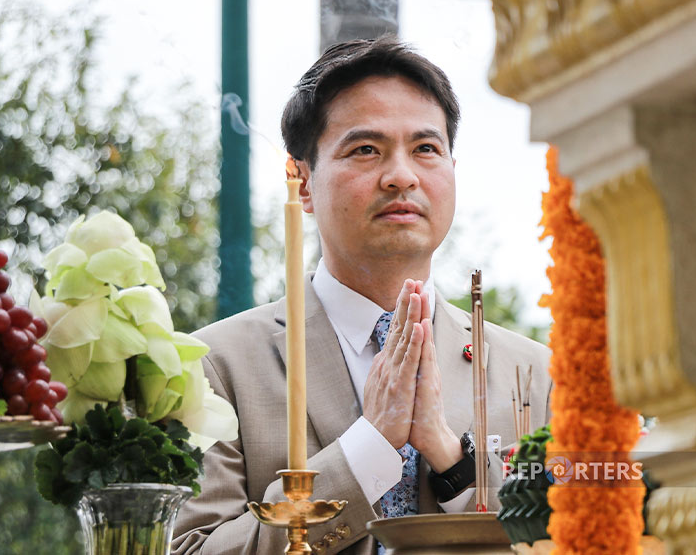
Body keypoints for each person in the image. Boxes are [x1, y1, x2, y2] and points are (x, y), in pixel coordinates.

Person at [172, 36, 551, 555]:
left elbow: (578, 539)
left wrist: (453, 462)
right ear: (303, 182)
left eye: (426, 149)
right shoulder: (212, 368)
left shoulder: (534, 375)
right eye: (366, 150)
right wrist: (367, 448)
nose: (401, 176)